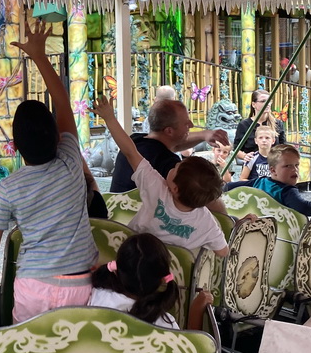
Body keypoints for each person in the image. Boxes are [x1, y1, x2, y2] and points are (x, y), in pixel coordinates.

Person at [0, 20, 96, 325]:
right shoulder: (70, 161)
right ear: (58, 138)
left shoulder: (9, 188)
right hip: (80, 283)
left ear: (15, 146)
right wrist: (40, 56)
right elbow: (63, 104)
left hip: (33, 286)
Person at [95, 95, 228, 257]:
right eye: (186, 122)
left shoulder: (156, 189)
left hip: (130, 251)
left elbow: (130, 151)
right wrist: (231, 222)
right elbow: (223, 252)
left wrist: (109, 118)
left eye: (176, 167)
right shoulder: (206, 221)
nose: (191, 125)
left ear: (174, 187)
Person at [110, 98, 230, 202]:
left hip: (115, 217)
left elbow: (175, 145)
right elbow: (201, 200)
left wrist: (204, 135)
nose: (191, 125)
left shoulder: (136, 140)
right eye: (185, 123)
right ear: (169, 131)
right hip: (139, 226)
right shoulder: (168, 163)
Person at [89, 233, 214, 330]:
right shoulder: (165, 324)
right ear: (161, 281)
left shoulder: (94, 296)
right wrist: (196, 311)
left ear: (117, 270)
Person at [253, 144, 311, 225]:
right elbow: (304, 206)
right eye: (287, 166)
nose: (294, 169)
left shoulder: (259, 182)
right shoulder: (286, 191)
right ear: (273, 170)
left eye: (296, 165)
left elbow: (237, 186)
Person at [232, 89, 286, 161]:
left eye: (269, 101)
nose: (268, 104)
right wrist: (245, 156)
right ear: (254, 104)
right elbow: (236, 150)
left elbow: (284, 147)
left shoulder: (278, 124)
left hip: (273, 166)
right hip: (252, 166)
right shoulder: (244, 125)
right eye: (263, 101)